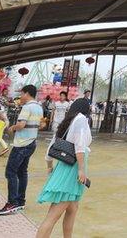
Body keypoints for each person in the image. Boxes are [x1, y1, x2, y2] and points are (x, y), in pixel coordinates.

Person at [35, 98, 92, 238]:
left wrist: (49, 166)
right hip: (73, 169)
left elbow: (51, 148)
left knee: (72, 208)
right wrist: (81, 169)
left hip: (64, 166)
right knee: (53, 216)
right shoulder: (81, 120)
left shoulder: (67, 121)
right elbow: (80, 147)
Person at [0, 84, 43, 216]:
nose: (21, 97)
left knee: (10, 172)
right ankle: (20, 201)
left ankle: (12, 203)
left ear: (27, 93)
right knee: (22, 172)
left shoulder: (27, 107)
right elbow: (39, 125)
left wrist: (12, 128)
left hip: (21, 144)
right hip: (31, 143)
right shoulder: (39, 107)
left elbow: (22, 125)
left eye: (22, 94)